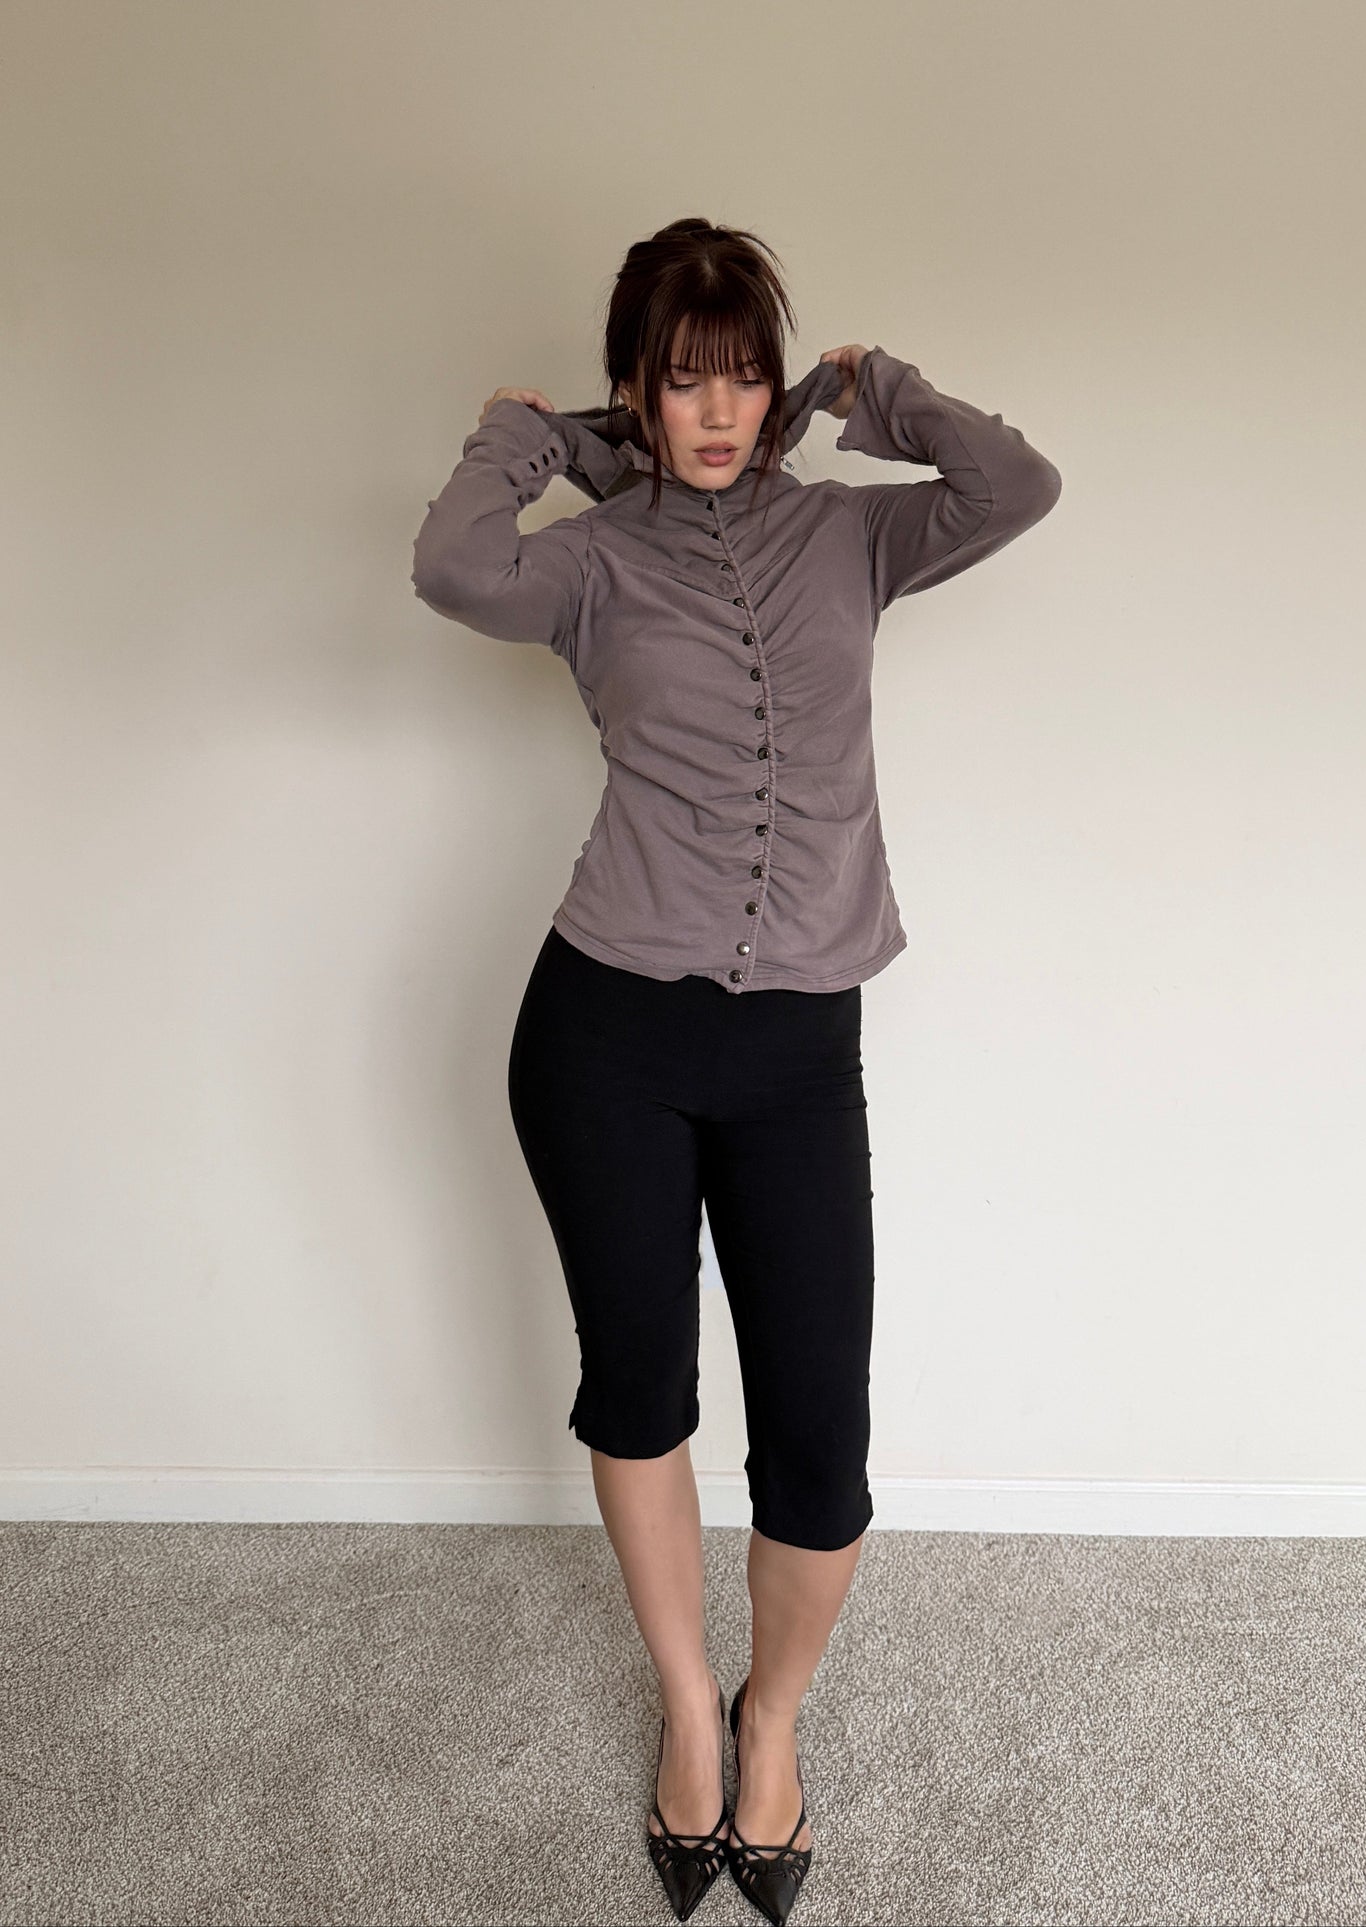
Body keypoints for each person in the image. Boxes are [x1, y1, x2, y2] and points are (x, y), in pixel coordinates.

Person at [412, 216, 1062, 1923]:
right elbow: (454, 569)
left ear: (777, 386)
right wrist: (539, 443)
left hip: (794, 1052)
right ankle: (689, 1708)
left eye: (744, 376)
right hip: (604, 1036)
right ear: (638, 390)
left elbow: (1016, 485)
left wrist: (874, 391)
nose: (717, 411)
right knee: (639, 1388)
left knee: (818, 1439)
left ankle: (773, 1716)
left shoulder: (854, 536)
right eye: (680, 381)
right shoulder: (588, 561)